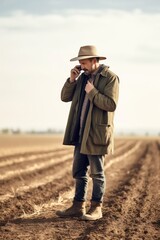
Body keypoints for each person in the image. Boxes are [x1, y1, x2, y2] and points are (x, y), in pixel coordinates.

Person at [56, 45, 119, 221]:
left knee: (97, 174)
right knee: (79, 171)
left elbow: (111, 105)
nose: (81, 66)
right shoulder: (81, 78)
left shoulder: (110, 78)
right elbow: (64, 97)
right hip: (80, 133)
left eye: (84, 62)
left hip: (96, 134)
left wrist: (93, 93)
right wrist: (72, 80)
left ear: (94, 60)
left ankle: (96, 208)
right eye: (80, 63)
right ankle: (78, 206)